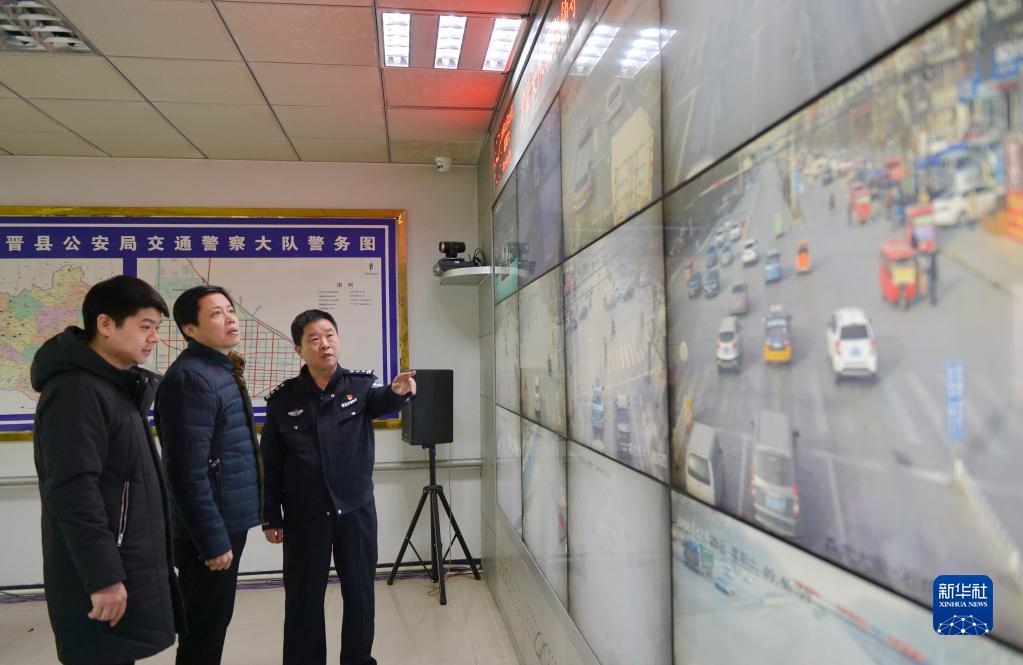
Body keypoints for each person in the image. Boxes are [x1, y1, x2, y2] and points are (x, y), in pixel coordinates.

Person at [31, 275, 183, 665]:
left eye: (156, 328)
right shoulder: (77, 392)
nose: (154, 338)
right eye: (145, 326)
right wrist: (103, 577)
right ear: (105, 324)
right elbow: (73, 492)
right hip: (99, 576)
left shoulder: (115, 388)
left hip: (124, 563)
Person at [261, 309, 417, 665]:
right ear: (299, 350)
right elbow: (271, 463)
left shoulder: (359, 387)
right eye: (314, 339)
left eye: (330, 335)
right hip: (305, 516)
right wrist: (271, 516)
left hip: (355, 511)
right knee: (303, 599)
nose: (325, 344)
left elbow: (384, 400)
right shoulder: (283, 401)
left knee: (360, 595)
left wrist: (397, 391)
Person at [154, 285, 262, 665]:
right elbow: (185, 471)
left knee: (212, 624)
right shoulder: (191, 379)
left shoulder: (218, 369)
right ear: (190, 329)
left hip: (223, 519)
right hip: (207, 529)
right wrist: (212, 540)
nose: (230, 318)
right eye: (216, 313)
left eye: (230, 310)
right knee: (203, 630)